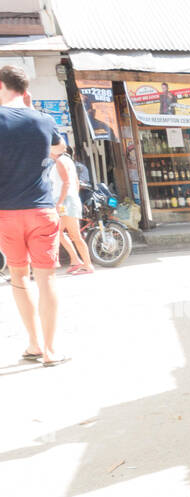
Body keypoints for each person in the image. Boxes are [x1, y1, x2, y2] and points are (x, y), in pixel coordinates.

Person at [0, 64, 69, 366]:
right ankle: (52, 351)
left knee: (18, 275)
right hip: (42, 211)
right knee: (47, 278)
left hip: (6, 214)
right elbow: (61, 147)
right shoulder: (44, 119)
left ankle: (33, 344)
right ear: (26, 91)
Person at [53, 145, 93, 275]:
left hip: (65, 201)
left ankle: (87, 265)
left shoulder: (61, 161)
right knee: (58, 233)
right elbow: (75, 182)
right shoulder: (67, 160)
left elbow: (67, 183)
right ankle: (76, 260)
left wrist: (60, 203)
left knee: (74, 235)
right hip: (68, 200)